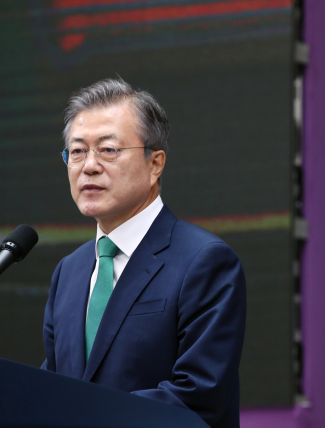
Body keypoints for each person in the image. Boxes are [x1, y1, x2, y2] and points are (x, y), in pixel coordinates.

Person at [41, 78, 246, 428]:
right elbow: (51, 389)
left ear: (156, 164)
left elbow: (198, 396)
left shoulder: (205, 261)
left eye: (108, 150)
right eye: (77, 151)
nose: (88, 165)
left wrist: (81, 416)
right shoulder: (69, 272)